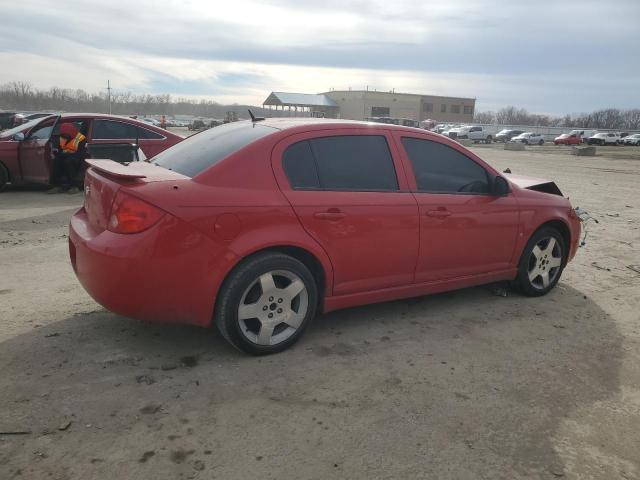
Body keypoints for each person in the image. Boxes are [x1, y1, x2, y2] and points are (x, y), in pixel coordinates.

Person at [48, 123, 86, 194]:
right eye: (63, 135)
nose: (65, 136)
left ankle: (74, 186)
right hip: (65, 155)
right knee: (57, 161)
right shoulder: (62, 137)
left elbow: (81, 153)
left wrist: (68, 155)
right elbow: (60, 149)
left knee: (68, 162)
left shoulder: (80, 138)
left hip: (76, 157)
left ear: (71, 132)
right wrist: (57, 153)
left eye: (66, 135)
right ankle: (57, 186)